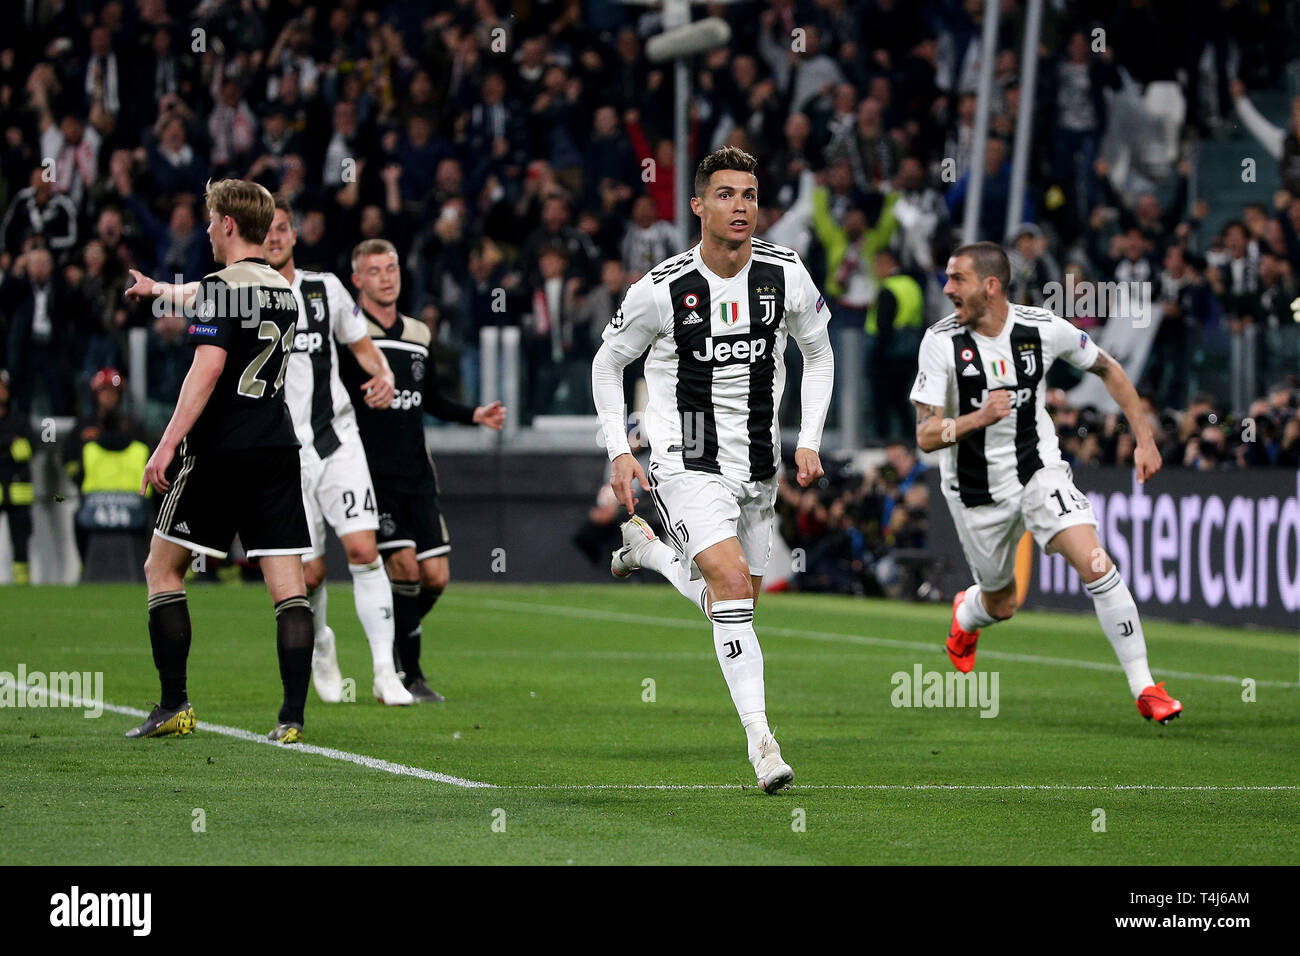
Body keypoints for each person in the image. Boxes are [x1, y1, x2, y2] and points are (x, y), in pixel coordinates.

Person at [591, 146, 836, 793]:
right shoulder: (662, 288)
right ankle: (762, 742)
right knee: (729, 584)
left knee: (735, 603)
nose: (740, 207)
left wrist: (809, 437)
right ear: (698, 205)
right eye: (725, 194)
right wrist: (619, 448)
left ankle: (647, 552)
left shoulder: (786, 274)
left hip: (761, 463)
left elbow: (819, 352)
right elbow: (607, 363)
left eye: (750, 195)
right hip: (686, 455)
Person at [909, 242, 1181, 723]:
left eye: (958, 279)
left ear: (991, 286)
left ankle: (1145, 686)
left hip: (1038, 471)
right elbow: (927, 435)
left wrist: (1144, 439)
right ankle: (967, 613)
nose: (947, 288)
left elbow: (1107, 367)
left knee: (1097, 563)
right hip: (976, 493)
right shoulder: (940, 342)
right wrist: (978, 418)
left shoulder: (1040, 328)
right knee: (1002, 602)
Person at [122, 178, 315, 743]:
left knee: (162, 569)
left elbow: (206, 370)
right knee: (289, 587)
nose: (207, 229)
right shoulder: (284, 290)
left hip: (219, 449)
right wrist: (161, 288)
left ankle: (174, 704)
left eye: (210, 221)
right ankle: (292, 719)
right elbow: (218, 297)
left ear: (227, 224)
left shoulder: (219, 288)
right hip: (276, 447)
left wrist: (164, 445)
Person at [338, 239, 506, 701]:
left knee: (436, 577)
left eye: (391, 267)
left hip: (417, 472)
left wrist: (473, 414)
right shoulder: (348, 334)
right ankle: (407, 675)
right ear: (357, 281)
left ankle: (387, 635)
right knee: (406, 570)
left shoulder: (418, 333)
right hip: (372, 473)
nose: (386, 277)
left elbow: (427, 397)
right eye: (374, 271)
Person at [263, 196, 414, 706]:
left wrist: (385, 376)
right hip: (283, 452)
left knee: (363, 550)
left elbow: (360, 342)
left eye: (283, 227)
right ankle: (322, 647)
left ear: (294, 234)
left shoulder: (324, 289)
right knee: (309, 572)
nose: (276, 237)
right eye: (268, 230)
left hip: (336, 439)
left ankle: (383, 672)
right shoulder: (246, 295)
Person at [0, 369, 34, 584]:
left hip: (19, 493)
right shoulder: (16, 426)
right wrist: (8, 443)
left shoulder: (20, 421)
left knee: (20, 544)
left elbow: (26, 450)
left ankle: (22, 585)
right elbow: (16, 449)